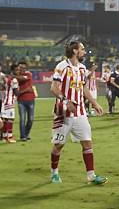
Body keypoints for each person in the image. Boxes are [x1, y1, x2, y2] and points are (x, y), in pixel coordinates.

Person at [49, 41, 107, 185]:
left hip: (80, 113)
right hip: (63, 113)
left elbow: (84, 89)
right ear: (75, 51)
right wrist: (66, 100)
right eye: (82, 49)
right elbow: (54, 88)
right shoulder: (62, 66)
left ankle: (91, 176)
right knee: (59, 145)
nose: (84, 52)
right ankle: (54, 173)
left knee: (87, 143)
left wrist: (95, 103)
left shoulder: (82, 68)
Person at [15, 61, 36, 141]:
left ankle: (26, 134)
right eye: (20, 68)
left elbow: (22, 79)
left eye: (23, 68)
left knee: (31, 119)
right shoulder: (17, 76)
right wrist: (26, 90)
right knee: (22, 119)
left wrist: (20, 92)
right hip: (21, 101)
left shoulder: (28, 74)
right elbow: (27, 88)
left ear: (26, 68)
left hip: (30, 99)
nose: (22, 69)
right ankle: (23, 136)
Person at [1, 64, 20, 143]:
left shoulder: (6, 78)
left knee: (5, 119)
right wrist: (20, 92)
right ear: (13, 70)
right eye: (17, 70)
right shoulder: (14, 80)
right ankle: (10, 136)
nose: (18, 71)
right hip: (10, 102)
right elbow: (16, 92)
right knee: (10, 119)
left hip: (4, 101)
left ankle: (5, 136)